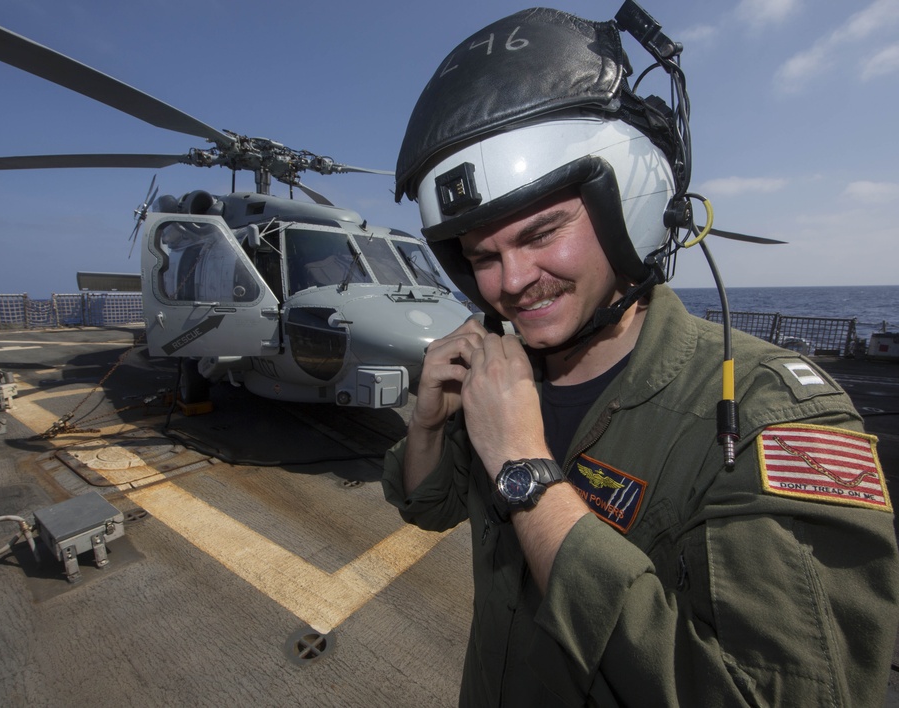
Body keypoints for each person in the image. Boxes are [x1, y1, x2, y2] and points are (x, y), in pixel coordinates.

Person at [381, 6, 899, 706]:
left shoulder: (770, 418)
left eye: (542, 233)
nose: (508, 282)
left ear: (634, 206)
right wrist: (429, 423)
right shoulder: (505, 374)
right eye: (481, 257)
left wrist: (524, 470)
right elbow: (427, 508)